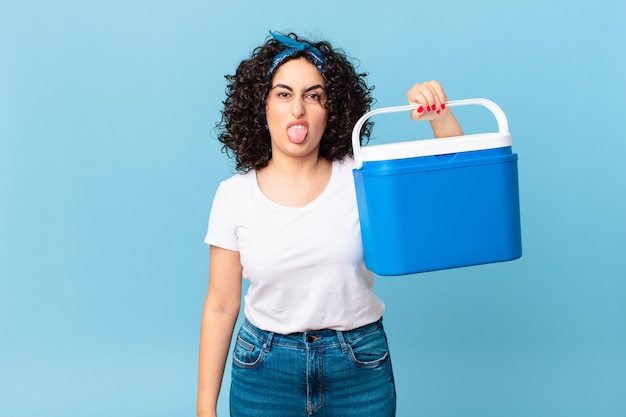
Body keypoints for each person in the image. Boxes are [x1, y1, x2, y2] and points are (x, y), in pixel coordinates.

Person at [197, 31, 464, 417]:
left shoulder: (363, 177)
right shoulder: (233, 195)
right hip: (263, 369)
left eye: (313, 95)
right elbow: (221, 307)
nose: (298, 109)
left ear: (331, 110)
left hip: (358, 364)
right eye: (284, 93)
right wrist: (205, 409)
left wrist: (439, 114)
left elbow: (453, 192)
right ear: (262, 106)